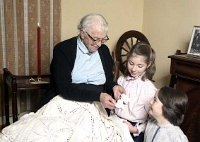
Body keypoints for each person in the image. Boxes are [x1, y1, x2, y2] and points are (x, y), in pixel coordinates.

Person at [0, 13, 134, 142]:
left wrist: (114, 86)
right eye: (95, 39)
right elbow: (65, 88)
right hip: (66, 100)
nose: (99, 44)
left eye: (103, 39)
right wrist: (98, 95)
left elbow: (108, 80)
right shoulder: (63, 49)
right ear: (82, 32)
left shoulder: (103, 51)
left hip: (95, 105)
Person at [114, 42, 157, 142]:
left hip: (134, 128)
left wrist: (135, 129)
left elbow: (153, 120)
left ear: (148, 64)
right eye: (131, 63)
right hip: (117, 121)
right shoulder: (121, 80)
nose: (133, 69)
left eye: (140, 66)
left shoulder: (148, 89)